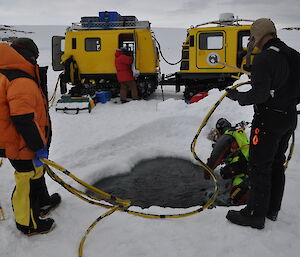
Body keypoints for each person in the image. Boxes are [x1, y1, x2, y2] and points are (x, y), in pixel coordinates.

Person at [225, 18, 300, 229]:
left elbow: (259, 95)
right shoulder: (294, 55)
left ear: (258, 35)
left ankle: (254, 214)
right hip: (289, 118)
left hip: (268, 121)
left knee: (259, 166)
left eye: (252, 37)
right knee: (277, 163)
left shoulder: (264, 59)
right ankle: (272, 209)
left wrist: (238, 96)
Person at [0, 38, 61, 236]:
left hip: (18, 140)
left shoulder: (8, 74)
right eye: (35, 57)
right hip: (21, 144)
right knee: (27, 180)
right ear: (28, 55)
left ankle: (43, 203)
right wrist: (37, 146)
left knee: (36, 174)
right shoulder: (20, 80)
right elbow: (23, 119)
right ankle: (27, 224)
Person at [206, 118, 250, 205]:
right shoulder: (238, 134)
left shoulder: (228, 136)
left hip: (244, 175)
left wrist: (207, 170)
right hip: (250, 169)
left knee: (235, 200)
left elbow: (216, 155)